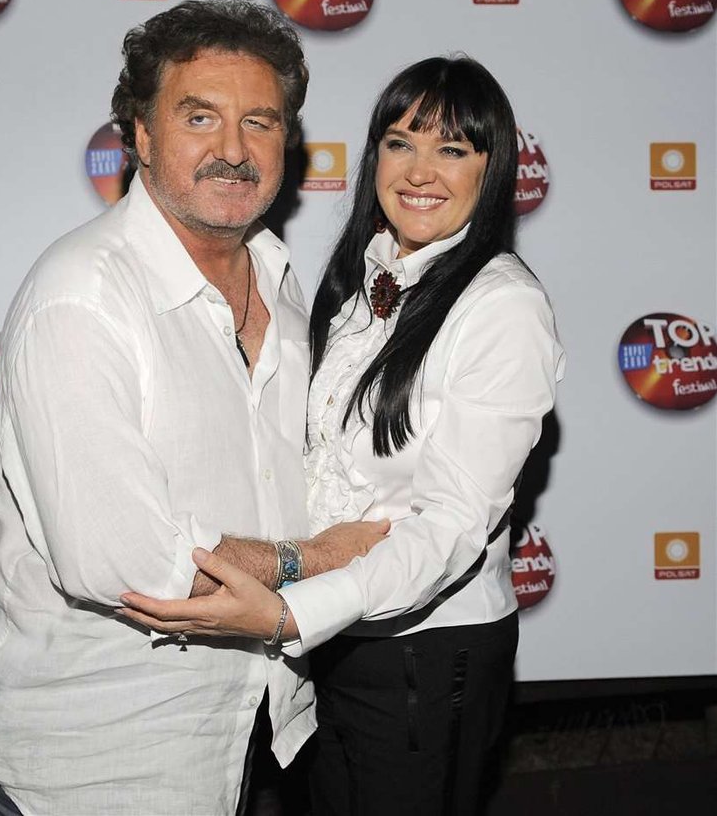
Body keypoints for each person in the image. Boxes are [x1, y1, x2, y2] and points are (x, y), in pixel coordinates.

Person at [0, 0, 388, 816]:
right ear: (142, 136)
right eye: (200, 117)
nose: (234, 150)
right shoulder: (82, 297)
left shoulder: (285, 287)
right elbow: (124, 561)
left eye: (259, 122)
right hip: (93, 760)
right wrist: (322, 559)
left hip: (243, 736)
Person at [119, 55, 566, 815]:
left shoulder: (502, 308)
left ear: (491, 171)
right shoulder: (360, 281)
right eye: (400, 143)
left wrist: (293, 612)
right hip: (335, 638)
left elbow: (452, 525)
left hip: (426, 649)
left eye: (452, 149)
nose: (420, 171)